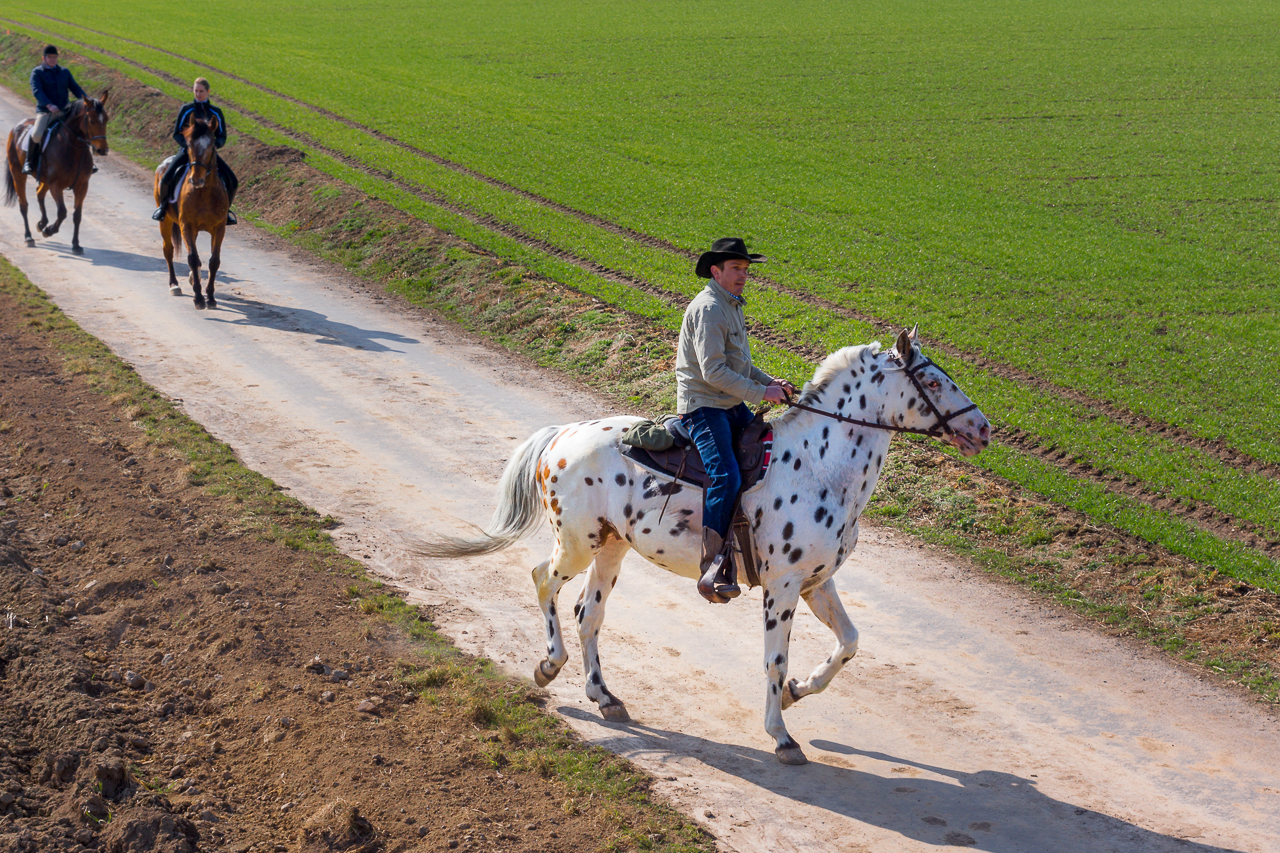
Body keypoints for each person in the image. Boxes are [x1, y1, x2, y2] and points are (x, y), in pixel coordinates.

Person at [677, 237, 795, 603]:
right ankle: (713, 564)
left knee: (768, 455)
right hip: (705, 405)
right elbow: (713, 372)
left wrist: (769, 382)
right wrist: (762, 394)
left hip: (729, 403)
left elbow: (739, 364)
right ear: (716, 271)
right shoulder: (710, 308)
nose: (743, 275)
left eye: (746, 269)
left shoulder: (731, 304)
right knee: (726, 473)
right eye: (736, 269)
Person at [152, 77, 238, 224]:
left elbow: (222, 136)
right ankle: (163, 207)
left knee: (233, 180)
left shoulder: (216, 112)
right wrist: (189, 147)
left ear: (208, 92)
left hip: (208, 155)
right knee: (166, 178)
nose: (198, 94)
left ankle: (226, 212)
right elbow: (176, 133)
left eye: (201, 91)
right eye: (196, 91)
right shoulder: (186, 110)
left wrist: (214, 146)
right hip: (187, 153)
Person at [24, 44, 86, 176]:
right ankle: (29, 162)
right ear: (43, 58)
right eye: (50, 57)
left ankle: (88, 162)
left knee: (83, 129)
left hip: (65, 110)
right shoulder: (37, 72)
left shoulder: (64, 72)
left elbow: (75, 88)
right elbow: (37, 91)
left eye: (55, 57)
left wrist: (87, 100)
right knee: (37, 134)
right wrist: (48, 105)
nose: (52, 60)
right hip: (46, 111)